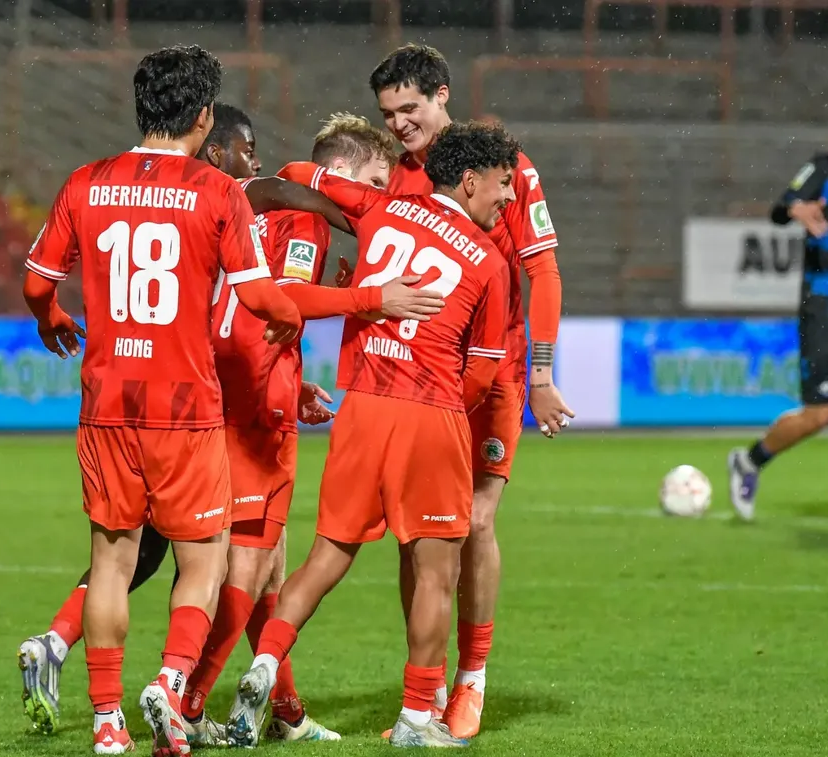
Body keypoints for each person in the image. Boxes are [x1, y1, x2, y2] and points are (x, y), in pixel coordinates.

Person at [20, 47, 304, 756]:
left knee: (112, 560)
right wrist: (292, 318)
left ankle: (108, 721)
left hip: (108, 403)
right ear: (204, 117)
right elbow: (259, 295)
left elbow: (36, 281)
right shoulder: (217, 192)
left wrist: (51, 317)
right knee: (201, 561)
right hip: (185, 408)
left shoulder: (87, 181)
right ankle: (172, 685)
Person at [225, 120, 518, 749]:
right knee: (436, 572)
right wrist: (446, 412)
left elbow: (300, 176)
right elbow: (485, 371)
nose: (508, 198)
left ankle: (263, 665)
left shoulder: (380, 207)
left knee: (326, 555)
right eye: (501, 184)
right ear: (469, 181)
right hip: (429, 412)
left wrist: (330, 205)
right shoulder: (491, 262)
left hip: (360, 408)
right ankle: (417, 718)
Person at [181, 112, 444, 745]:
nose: (380, 196)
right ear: (345, 170)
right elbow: (284, 300)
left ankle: (287, 711)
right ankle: (186, 702)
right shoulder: (304, 221)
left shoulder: (260, 213)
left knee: (271, 570)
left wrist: (295, 378)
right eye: (376, 180)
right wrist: (369, 297)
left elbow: (265, 305)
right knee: (248, 567)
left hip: (241, 389)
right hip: (253, 408)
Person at [368, 43, 573, 739]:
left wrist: (541, 374)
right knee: (416, 538)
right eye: (389, 113)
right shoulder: (393, 177)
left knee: (478, 520)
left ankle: (472, 676)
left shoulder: (503, 170)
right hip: (420, 382)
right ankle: (419, 682)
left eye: (411, 107)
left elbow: (542, 273)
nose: (399, 123)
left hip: (497, 371)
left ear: (443, 95)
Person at [728, 84, 828, 521]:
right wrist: (795, 211)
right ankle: (750, 461)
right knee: (820, 416)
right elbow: (781, 206)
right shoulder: (826, 169)